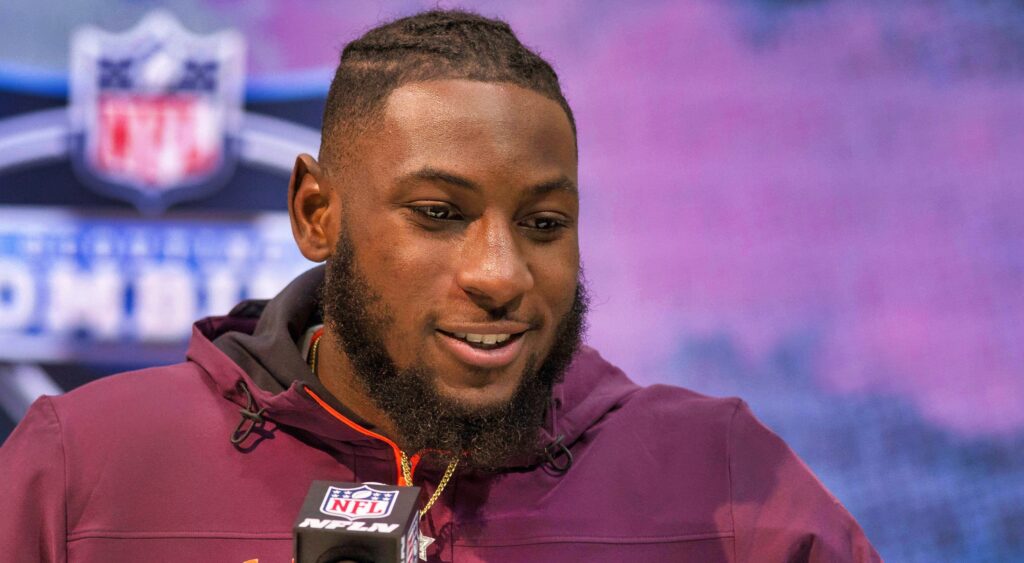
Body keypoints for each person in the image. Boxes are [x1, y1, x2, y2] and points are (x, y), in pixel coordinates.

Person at [0, 9, 880, 562]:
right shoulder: (82, 467)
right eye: (438, 213)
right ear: (316, 212)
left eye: (543, 223)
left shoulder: (724, 480)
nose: (500, 274)